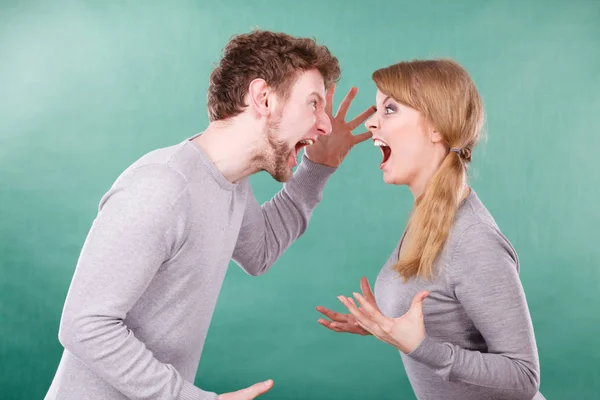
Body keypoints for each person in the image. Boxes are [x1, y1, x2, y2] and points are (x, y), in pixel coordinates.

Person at [44, 29, 375, 400]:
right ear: (263, 98)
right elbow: (83, 325)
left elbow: (259, 251)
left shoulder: (229, 183)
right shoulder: (163, 188)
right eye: (313, 103)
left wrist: (317, 168)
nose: (325, 124)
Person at [316, 59, 545, 400]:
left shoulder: (473, 239)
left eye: (390, 109)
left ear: (436, 127)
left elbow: (525, 377)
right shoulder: (430, 215)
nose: (374, 123)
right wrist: (384, 325)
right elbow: (439, 308)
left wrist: (421, 347)